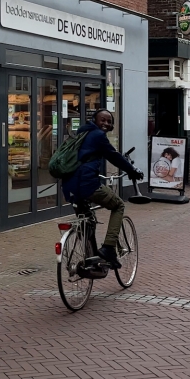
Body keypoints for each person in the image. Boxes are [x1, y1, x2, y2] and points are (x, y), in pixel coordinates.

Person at [61, 110, 143, 269]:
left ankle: (90, 260)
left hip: (69, 187)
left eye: (109, 121)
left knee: (87, 221)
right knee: (118, 205)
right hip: (87, 185)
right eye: (102, 120)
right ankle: (109, 248)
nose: (106, 124)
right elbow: (114, 156)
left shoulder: (81, 133)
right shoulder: (98, 136)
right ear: (94, 120)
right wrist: (132, 171)